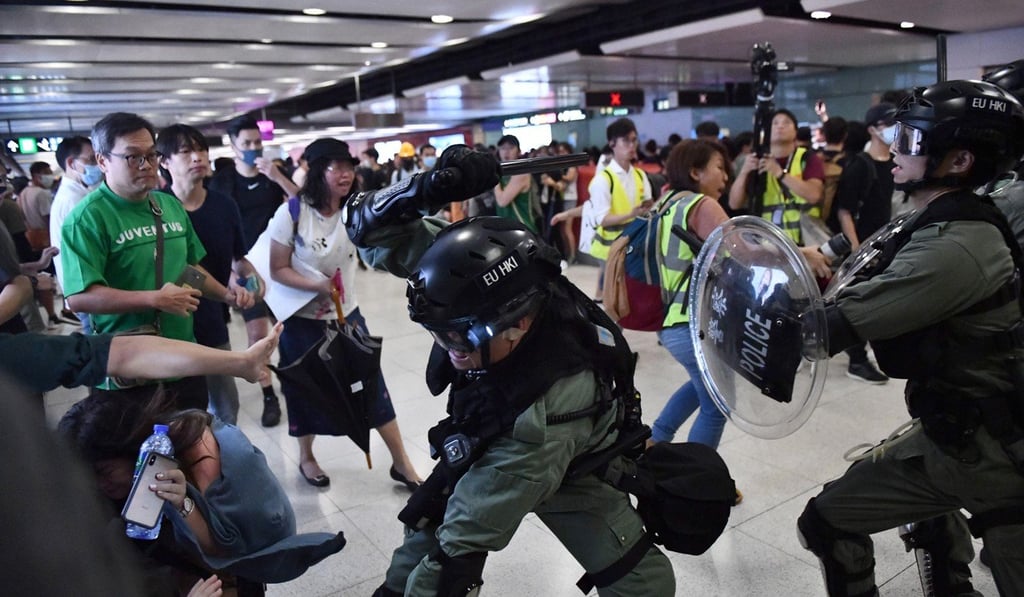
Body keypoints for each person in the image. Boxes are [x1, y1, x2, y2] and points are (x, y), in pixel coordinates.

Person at [343, 145, 675, 596]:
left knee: (644, 586)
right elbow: (366, 229)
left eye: (460, 338)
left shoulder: (546, 417)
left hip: (566, 459)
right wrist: (426, 188)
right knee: (421, 545)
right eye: (439, 335)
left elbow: (467, 534)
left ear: (517, 324)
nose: (450, 350)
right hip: (495, 422)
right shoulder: (489, 276)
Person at [796, 80, 1024, 596]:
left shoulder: (958, 242)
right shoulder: (932, 216)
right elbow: (869, 276)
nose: (895, 147)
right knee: (829, 518)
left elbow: (827, 329)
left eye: (912, 139)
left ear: (960, 159)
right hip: (958, 430)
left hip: (996, 453)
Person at [57, 379, 345, 595]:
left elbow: (234, 548)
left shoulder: (209, 458)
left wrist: (184, 505)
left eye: (104, 472)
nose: (99, 484)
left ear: (132, 448)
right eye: (86, 476)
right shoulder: (103, 483)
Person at [61, 112, 253, 407]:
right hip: (129, 366)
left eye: (151, 155)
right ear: (102, 161)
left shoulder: (168, 206)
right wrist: (153, 299)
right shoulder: (87, 219)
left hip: (183, 357)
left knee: (195, 440)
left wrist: (226, 295)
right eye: (133, 157)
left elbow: (189, 270)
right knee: (140, 451)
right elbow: (80, 298)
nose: (147, 165)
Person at [266, 137, 421, 490]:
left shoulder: (358, 209)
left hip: (347, 316)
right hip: (302, 324)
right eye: (337, 167)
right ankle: (306, 457)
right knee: (305, 391)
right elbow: (277, 269)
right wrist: (316, 285)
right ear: (318, 172)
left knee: (372, 387)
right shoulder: (292, 213)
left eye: (350, 166)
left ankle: (402, 464)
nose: (346, 174)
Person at [158, 123, 265, 424]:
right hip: (169, 325)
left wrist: (253, 283)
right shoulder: (157, 208)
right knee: (181, 413)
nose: (197, 157)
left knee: (225, 407)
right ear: (164, 162)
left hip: (212, 320)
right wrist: (228, 292)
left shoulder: (223, 204)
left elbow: (237, 260)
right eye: (186, 152)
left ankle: (221, 468)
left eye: (201, 150)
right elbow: (180, 267)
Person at [208, 115, 293, 427]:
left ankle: (291, 378)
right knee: (258, 334)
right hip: (247, 268)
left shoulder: (273, 175)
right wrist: (230, 269)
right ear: (233, 146)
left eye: (257, 142)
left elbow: (301, 205)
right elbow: (219, 228)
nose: (253, 148)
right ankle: (268, 393)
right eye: (246, 144)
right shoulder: (223, 183)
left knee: (287, 330)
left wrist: (278, 176)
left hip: (281, 265)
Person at [729, 109, 826, 245]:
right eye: (774, 123)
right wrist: (745, 171)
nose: (780, 126)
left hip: (806, 241)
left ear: (795, 132)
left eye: (786, 123)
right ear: (766, 132)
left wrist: (780, 173)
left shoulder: (807, 158)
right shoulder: (756, 161)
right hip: (767, 245)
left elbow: (814, 195)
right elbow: (734, 203)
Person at [586, 118, 653, 301]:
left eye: (634, 140)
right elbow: (602, 219)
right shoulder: (603, 180)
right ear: (612, 143)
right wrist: (631, 214)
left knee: (628, 299)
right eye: (626, 141)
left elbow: (648, 204)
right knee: (615, 301)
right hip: (609, 249)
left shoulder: (639, 175)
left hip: (633, 246)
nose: (632, 145)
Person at [50, 135, 103, 330]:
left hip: (83, 287)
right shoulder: (74, 199)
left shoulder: (77, 193)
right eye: (90, 160)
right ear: (71, 163)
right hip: (86, 289)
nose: (96, 166)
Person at [492, 134, 538, 233]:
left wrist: (494, 176)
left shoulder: (521, 173)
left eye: (511, 148)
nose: (506, 151)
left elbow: (502, 201)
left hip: (523, 228)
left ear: (518, 151)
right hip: (507, 229)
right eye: (503, 148)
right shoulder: (503, 173)